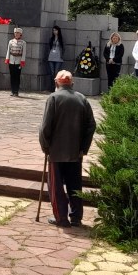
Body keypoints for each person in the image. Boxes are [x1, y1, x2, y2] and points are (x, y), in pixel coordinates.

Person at [39, 69, 96, 227]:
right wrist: (83, 148)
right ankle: (76, 217)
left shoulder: (54, 98)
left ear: (56, 82)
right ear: (72, 83)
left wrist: (45, 146)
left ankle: (61, 218)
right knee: (74, 185)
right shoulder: (82, 99)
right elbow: (91, 125)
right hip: (75, 152)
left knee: (56, 187)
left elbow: (45, 128)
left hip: (56, 152)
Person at [5, 27, 27, 97]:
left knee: (17, 76)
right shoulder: (11, 41)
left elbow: (24, 53)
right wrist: (7, 59)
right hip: (11, 60)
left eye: (18, 33)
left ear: (20, 34)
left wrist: (22, 61)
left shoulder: (23, 43)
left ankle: (16, 91)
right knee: (12, 76)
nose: (16, 34)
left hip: (18, 61)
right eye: (15, 33)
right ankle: (12, 90)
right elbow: (8, 51)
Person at [47, 25, 65, 92]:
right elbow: (49, 47)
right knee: (52, 73)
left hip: (58, 57)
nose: (54, 31)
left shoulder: (61, 39)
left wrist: (62, 55)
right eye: (53, 30)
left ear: (58, 31)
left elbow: (63, 48)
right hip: (51, 57)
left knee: (56, 72)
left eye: (56, 30)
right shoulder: (51, 38)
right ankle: (52, 87)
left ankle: (57, 87)